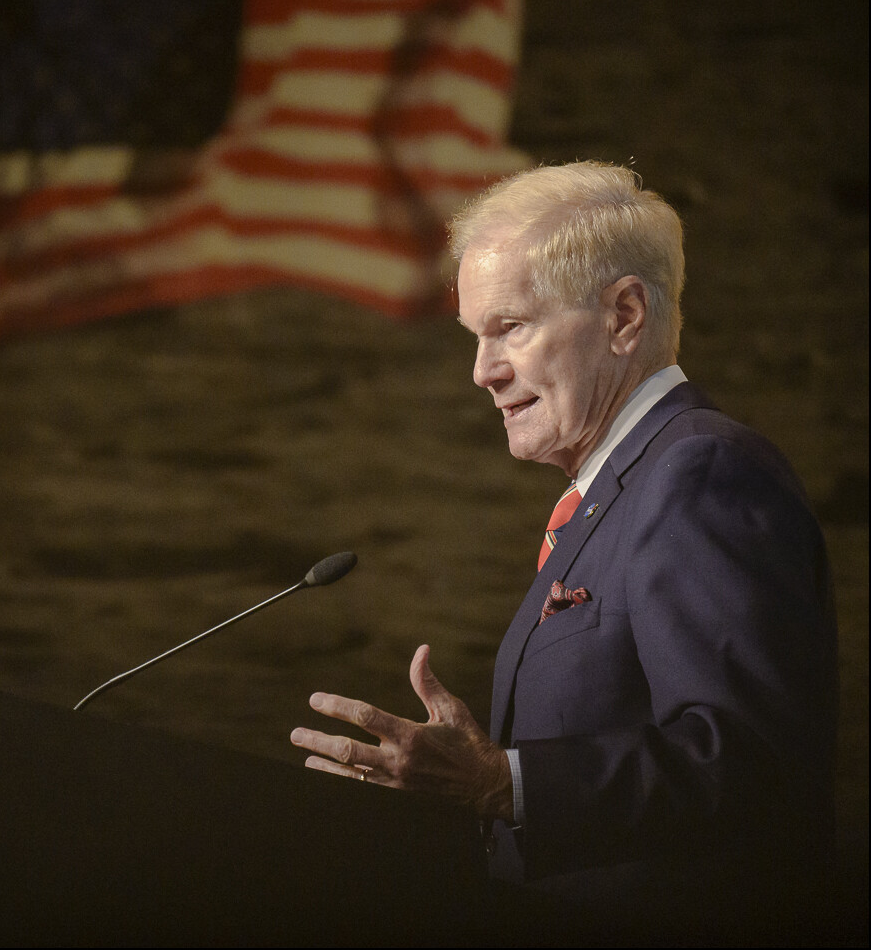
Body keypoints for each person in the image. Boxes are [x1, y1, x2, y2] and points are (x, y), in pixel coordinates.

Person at [289, 161, 838, 942]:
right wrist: (460, 796)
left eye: (510, 326)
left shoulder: (700, 470)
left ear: (623, 316)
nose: (482, 372)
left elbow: (751, 765)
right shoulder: (616, 492)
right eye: (475, 336)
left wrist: (503, 783)